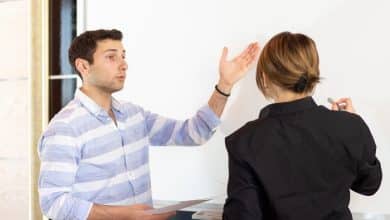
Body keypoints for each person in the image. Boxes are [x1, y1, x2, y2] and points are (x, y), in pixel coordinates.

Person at [37, 29, 260, 220]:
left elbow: (194, 133)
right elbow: (54, 203)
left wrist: (225, 84)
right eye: (111, 57)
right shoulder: (65, 128)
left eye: (123, 56)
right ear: (83, 66)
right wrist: (125, 214)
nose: (123, 64)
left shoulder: (134, 116)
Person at [222, 32, 382, 220]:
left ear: (264, 79)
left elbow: (242, 215)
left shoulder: (244, 141)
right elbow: (369, 185)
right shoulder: (350, 127)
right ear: (312, 75)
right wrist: (354, 127)